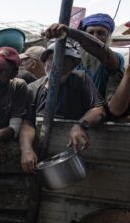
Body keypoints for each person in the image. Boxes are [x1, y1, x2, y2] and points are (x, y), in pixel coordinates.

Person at [19, 41, 105, 173]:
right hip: (43, 153)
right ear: (44, 62)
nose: (57, 66)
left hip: (72, 153)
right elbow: (28, 123)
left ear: (73, 66)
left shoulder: (81, 79)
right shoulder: (33, 89)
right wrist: (26, 149)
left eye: (64, 61)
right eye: (52, 60)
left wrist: (80, 125)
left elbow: (98, 109)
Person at [43, 13, 125, 100]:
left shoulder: (115, 57)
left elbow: (103, 53)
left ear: (109, 37)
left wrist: (72, 33)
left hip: (98, 111)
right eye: (90, 33)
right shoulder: (73, 58)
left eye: (101, 33)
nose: (95, 37)